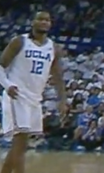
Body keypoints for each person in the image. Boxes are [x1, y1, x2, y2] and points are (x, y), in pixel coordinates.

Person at [0, 10, 68, 173]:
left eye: (47, 20)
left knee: (20, 146)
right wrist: (7, 85)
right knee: (20, 144)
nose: (44, 22)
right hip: (16, 96)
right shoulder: (19, 41)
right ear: (33, 22)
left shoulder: (54, 48)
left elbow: (58, 76)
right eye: (40, 19)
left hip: (35, 99)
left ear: (51, 24)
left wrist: (63, 100)